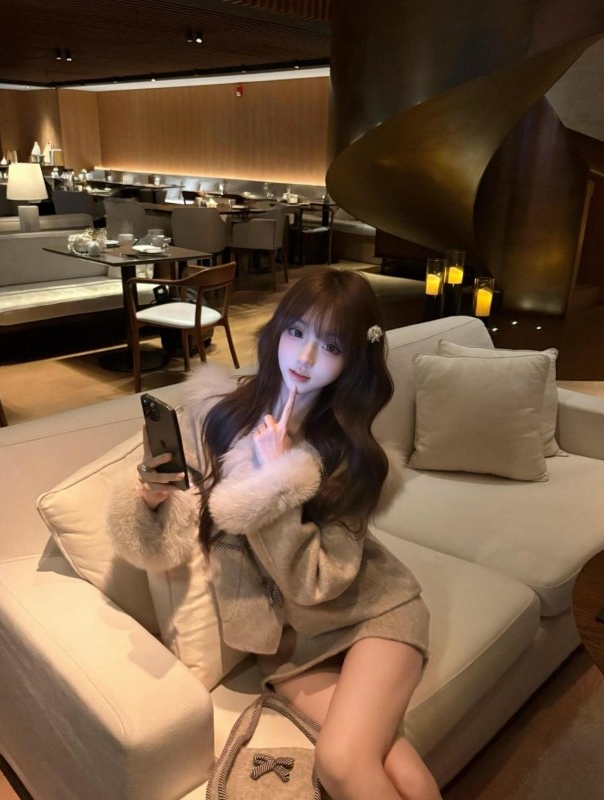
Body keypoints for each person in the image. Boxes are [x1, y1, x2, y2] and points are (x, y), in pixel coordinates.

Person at [108, 268, 442, 800]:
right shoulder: (217, 415)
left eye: (330, 345)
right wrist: (149, 498)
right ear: (277, 330)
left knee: (341, 761)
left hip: (375, 613)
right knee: (393, 761)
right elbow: (168, 539)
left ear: (353, 359)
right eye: (297, 332)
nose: (305, 357)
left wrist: (278, 479)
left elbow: (318, 582)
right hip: (286, 644)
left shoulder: (355, 457)